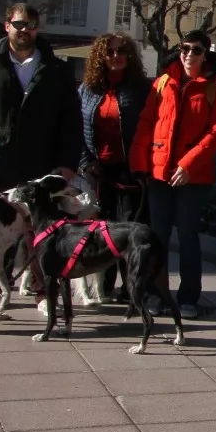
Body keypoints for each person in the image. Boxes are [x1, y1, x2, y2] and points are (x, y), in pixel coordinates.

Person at [129, 31, 216, 318]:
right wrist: (140, 164)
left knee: (188, 237)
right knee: (157, 237)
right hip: (159, 173)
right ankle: (155, 294)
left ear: (205, 54)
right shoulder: (163, 82)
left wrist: (188, 165)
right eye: (185, 49)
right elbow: (146, 123)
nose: (189, 55)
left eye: (196, 50)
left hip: (193, 176)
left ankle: (188, 298)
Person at [0, 3, 82, 194]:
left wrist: (68, 163)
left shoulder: (57, 70)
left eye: (30, 25)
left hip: (41, 168)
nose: (24, 30)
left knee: (35, 223)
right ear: (7, 26)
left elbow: (71, 121)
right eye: (19, 24)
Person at [78, 31, 152, 301]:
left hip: (131, 169)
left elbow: (151, 130)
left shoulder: (141, 88)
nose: (116, 57)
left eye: (122, 52)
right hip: (99, 170)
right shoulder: (87, 89)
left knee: (130, 229)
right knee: (101, 230)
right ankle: (103, 287)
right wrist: (86, 162)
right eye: (110, 52)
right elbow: (78, 129)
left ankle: (132, 288)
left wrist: (143, 167)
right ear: (100, 56)